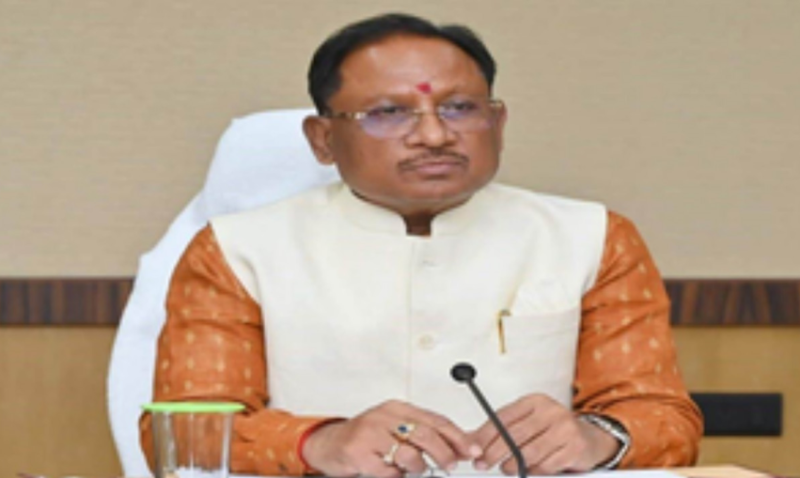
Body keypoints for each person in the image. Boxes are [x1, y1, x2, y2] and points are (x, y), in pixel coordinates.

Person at [140, 12, 702, 477]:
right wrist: (319, 442)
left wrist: (598, 436)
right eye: (388, 113)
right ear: (323, 139)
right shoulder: (236, 250)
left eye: (460, 108)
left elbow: (663, 418)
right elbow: (184, 431)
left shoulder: (594, 237)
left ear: (498, 123)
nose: (434, 135)